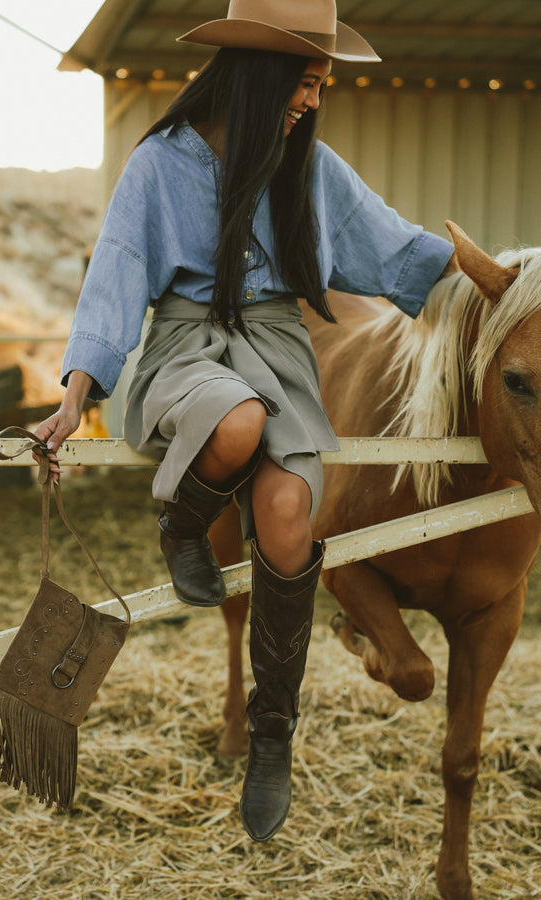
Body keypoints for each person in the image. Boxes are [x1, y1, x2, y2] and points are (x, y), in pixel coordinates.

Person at [35, 0, 457, 843]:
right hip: (188, 350)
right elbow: (117, 272)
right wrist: (77, 393)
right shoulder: (159, 165)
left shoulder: (313, 168)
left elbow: (402, 251)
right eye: (303, 82)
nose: (311, 100)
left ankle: (273, 734)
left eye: (320, 85)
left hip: (278, 351)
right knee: (236, 421)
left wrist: (507, 282)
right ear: (260, 76)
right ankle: (183, 522)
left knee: (288, 515)